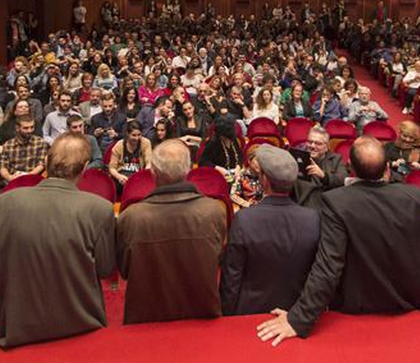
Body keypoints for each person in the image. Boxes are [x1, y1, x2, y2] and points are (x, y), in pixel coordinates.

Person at [255, 137, 420, 345]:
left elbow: (328, 266)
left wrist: (298, 319)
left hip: (355, 315)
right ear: (387, 169)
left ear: (350, 169)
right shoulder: (415, 196)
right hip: (408, 311)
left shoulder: (336, 201)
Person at [0, 133, 116, 346]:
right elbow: (105, 269)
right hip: (84, 328)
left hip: (19, 330)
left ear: (45, 162)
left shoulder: (2, 204)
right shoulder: (100, 209)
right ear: (86, 167)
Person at [117, 139, 228, 324]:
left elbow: (124, 270)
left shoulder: (130, 217)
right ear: (188, 171)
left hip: (146, 318)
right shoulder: (215, 211)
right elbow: (218, 259)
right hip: (201, 316)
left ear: (153, 173)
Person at [220, 145, 320, 316]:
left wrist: (228, 315)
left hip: (250, 313)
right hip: (297, 312)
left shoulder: (244, 220)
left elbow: (232, 277)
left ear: (264, 180)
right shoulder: (312, 218)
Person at [291, 125, 348, 209]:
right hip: (304, 204)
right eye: (310, 142)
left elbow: (343, 179)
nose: (312, 146)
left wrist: (324, 176)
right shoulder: (297, 157)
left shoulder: (336, 159)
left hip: (328, 205)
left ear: (326, 146)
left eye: (318, 143)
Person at [0, 116, 48, 184]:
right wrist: (9, 177)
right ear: (17, 128)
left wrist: (26, 176)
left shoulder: (40, 142)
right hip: (13, 179)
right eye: (25, 128)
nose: (29, 131)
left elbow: (41, 165)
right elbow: (3, 166)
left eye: (32, 127)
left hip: (32, 179)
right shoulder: (8, 144)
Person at [108, 120, 152, 190]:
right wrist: (119, 177)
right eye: (134, 135)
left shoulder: (146, 143)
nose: (137, 138)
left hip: (138, 175)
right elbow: (112, 168)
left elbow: (148, 164)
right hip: (122, 175)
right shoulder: (119, 145)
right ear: (127, 134)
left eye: (139, 135)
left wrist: (143, 176)